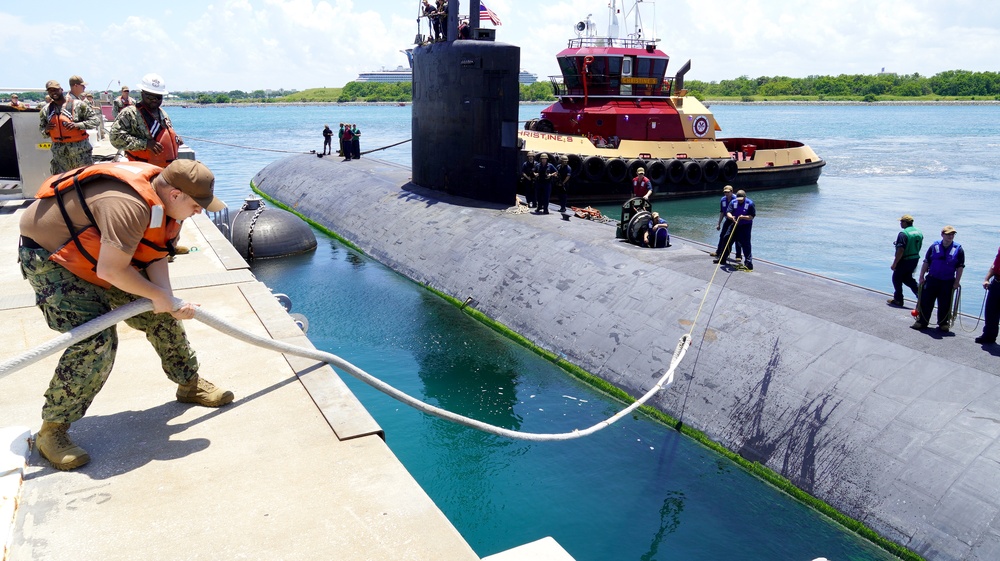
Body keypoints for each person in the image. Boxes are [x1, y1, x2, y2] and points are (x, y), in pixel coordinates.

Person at [18, 159, 232, 471]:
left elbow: (154, 252)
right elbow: (110, 269)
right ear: (175, 195)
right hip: (54, 258)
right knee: (96, 339)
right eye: (197, 205)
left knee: (160, 315)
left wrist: (167, 301)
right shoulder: (128, 206)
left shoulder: (168, 205)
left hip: (99, 255)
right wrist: (159, 296)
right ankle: (52, 431)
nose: (200, 211)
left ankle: (189, 383)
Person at [111, 73, 183, 168]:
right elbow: (115, 138)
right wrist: (145, 144)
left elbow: (163, 134)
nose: (154, 100)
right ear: (142, 94)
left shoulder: (163, 113)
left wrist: (175, 139)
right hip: (144, 169)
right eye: (150, 97)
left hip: (166, 169)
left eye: (158, 97)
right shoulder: (130, 113)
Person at [39, 79, 100, 175]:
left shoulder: (79, 105)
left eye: (55, 90)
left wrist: (78, 125)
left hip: (80, 154)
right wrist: (46, 129)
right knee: (62, 183)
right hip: (60, 157)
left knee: (85, 180)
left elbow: (96, 121)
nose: (53, 93)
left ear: (61, 90)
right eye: (50, 91)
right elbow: (42, 130)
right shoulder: (46, 110)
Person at [912, 225, 964, 331]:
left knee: (945, 303)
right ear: (942, 234)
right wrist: (921, 276)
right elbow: (926, 262)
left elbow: (960, 267)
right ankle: (922, 321)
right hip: (932, 278)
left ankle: (943, 323)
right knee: (926, 301)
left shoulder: (958, 249)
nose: (950, 236)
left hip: (947, 281)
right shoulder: (934, 247)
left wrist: (957, 282)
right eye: (948, 234)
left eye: (952, 234)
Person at [715, 189, 755, 270]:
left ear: (744, 198)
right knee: (726, 238)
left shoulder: (750, 204)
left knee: (745, 243)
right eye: (738, 199)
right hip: (734, 224)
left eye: (741, 200)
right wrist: (731, 217)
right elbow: (728, 212)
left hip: (745, 226)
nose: (739, 201)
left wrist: (743, 217)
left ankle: (748, 263)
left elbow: (752, 216)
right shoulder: (733, 202)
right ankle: (722, 258)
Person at [888, 214, 923, 307]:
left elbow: (901, 250)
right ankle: (921, 294)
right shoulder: (919, 232)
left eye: (901, 222)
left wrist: (895, 263)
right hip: (915, 258)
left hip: (905, 259)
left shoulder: (903, 234)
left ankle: (898, 299)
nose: (900, 223)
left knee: (896, 278)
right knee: (907, 278)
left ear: (905, 222)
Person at [976, 242, 1000, 345]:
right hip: (996, 282)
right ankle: (989, 335)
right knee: (990, 311)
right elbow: (995, 265)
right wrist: (987, 279)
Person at [711, 185, 742, 262]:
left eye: (728, 192)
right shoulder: (723, 200)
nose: (726, 194)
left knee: (737, 238)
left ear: (732, 192)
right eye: (725, 192)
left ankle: (738, 255)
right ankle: (718, 252)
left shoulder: (736, 199)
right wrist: (719, 223)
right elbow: (722, 212)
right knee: (722, 236)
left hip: (736, 220)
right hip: (728, 219)